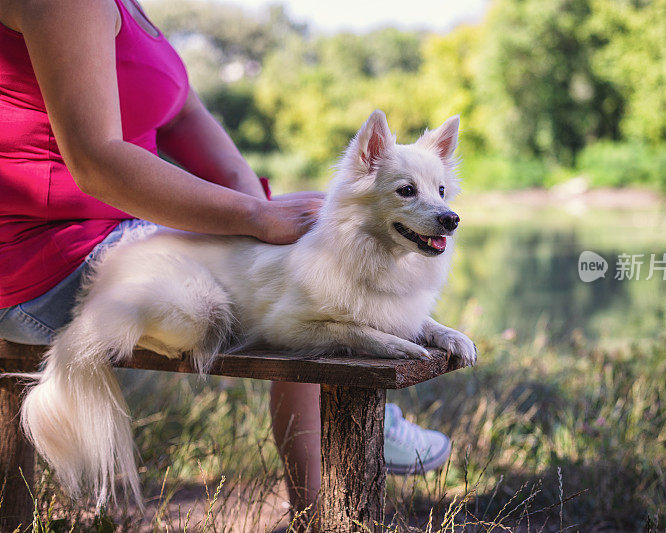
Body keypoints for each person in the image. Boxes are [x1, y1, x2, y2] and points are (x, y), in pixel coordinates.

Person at [0, 0, 450, 515]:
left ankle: (320, 501)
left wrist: (262, 208)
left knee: (327, 228)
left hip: (117, 228)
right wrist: (254, 221)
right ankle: (321, 503)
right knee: (297, 270)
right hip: (45, 254)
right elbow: (96, 162)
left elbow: (183, 114)